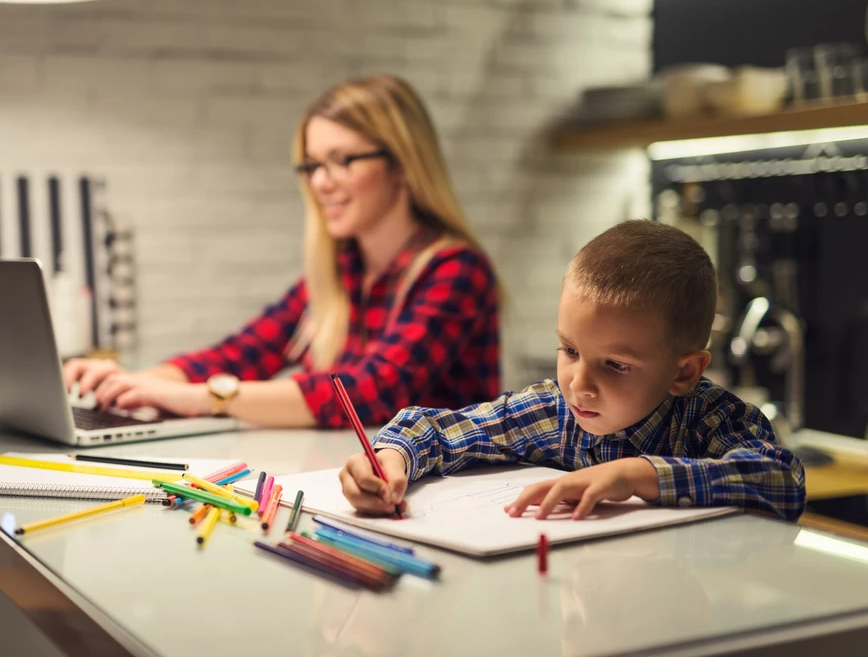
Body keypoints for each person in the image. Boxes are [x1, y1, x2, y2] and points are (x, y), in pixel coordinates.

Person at [63, 75, 501, 429]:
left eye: (341, 160)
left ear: (402, 165)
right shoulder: (341, 272)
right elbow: (242, 353)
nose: (320, 183)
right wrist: (138, 381)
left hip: (445, 497)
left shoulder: (457, 270)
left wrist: (204, 398)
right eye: (312, 165)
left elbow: (367, 393)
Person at [339, 219, 806, 521]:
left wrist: (633, 475)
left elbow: (782, 478)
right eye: (570, 350)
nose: (579, 385)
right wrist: (391, 460)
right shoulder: (554, 411)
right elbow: (438, 429)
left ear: (683, 372)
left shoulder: (713, 420)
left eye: (616, 365)